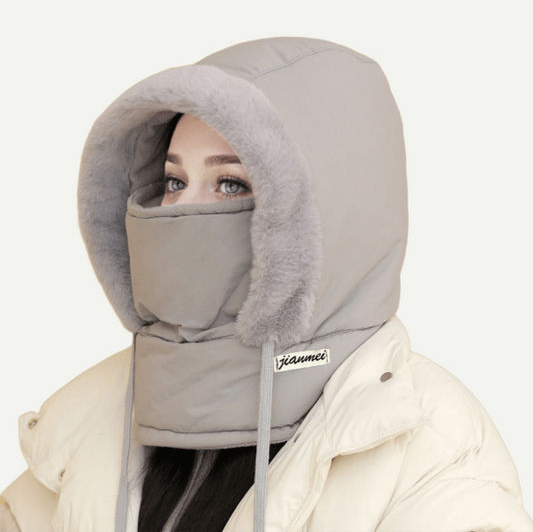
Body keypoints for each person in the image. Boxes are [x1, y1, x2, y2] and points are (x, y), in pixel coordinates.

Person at [1, 36, 532, 532]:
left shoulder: (429, 450)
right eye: (174, 181)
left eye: (231, 184)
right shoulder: (99, 409)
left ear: (330, 214)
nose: (182, 213)